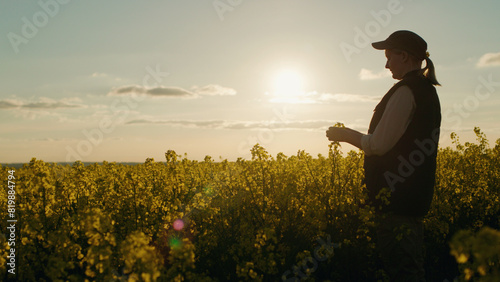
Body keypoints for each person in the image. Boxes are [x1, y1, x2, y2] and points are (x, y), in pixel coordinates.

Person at [326, 30, 441, 281]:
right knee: (409, 268)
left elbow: (377, 145)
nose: (386, 63)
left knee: (403, 271)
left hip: (397, 199)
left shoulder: (406, 91)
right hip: (409, 197)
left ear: (405, 56)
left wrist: (343, 134)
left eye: (390, 56)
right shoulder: (425, 90)